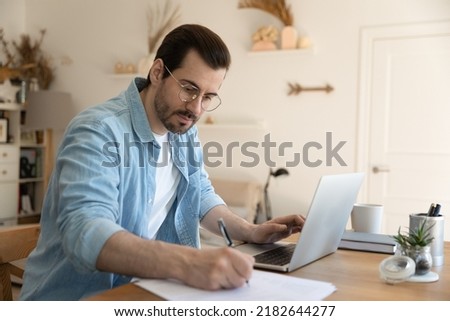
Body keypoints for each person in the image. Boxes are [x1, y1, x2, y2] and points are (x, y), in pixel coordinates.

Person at [20, 24, 304, 300]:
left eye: (207, 97)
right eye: (189, 89)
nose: (196, 108)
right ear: (158, 72)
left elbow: (200, 194)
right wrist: (189, 263)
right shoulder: (98, 130)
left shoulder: (183, 130)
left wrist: (251, 231)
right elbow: (86, 231)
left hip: (144, 293)